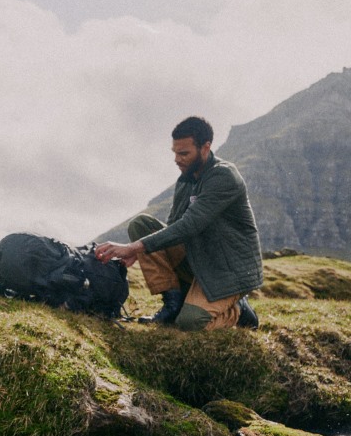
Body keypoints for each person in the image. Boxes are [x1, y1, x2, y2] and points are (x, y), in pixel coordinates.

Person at [95, 116, 262, 330]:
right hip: (197, 256)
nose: (177, 159)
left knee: (190, 324)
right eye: (175, 152)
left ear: (206, 147)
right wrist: (140, 252)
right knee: (140, 225)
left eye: (184, 153)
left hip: (227, 270)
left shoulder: (224, 176)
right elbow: (174, 225)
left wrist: (132, 248)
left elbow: (190, 225)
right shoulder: (185, 179)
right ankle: (173, 303)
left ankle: (237, 311)